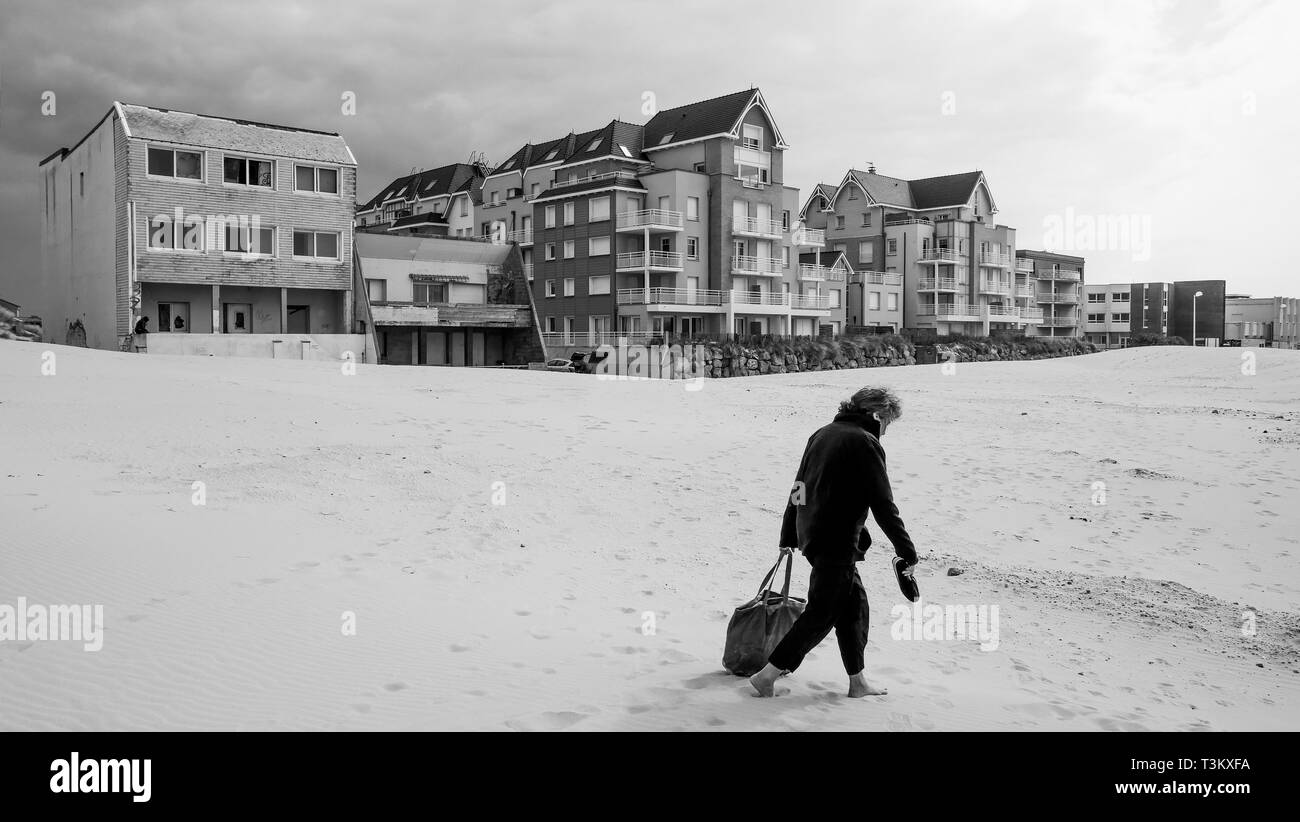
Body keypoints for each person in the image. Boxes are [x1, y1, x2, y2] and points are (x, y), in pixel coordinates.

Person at [750, 386, 919, 698]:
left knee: (854, 609)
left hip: (813, 534)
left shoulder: (822, 433)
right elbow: (882, 504)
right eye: (889, 422)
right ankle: (767, 675)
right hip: (836, 541)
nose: (887, 428)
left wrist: (789, 533)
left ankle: (857, 682)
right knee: (822, 613)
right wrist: (905, 549)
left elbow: (798, 486)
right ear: (877, 414)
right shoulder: (865, 442)